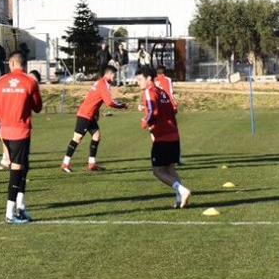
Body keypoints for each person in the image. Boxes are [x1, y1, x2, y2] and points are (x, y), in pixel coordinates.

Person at [0, 51, 43, 224]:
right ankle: (9, 214)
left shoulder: (1, 82)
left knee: (24, 167)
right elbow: (38, 107)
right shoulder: (30, 82)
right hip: (21, 132)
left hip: (5, 132)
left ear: (11, 63)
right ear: (24, 64)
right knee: (17, 170)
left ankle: (20, 208)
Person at [139, 70, 191, 208]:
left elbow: (152, 111)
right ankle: (180, 199)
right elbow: (172, 110)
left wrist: (146, 121)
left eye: (139, 79)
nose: (137, 82)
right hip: (174, 135)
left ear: (148, 78)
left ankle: (182, 190)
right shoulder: (162, 92)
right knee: (170, 169)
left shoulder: (149, 92)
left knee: (157, 171)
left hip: (162, 138)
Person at [61, 66, 127, 173]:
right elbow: (109, 102)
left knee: (96, 136)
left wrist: (96, 112)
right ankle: (65, 163)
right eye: (114, 74)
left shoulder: (99, 82)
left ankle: (92, 164)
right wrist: (121, 105)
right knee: (77, 138)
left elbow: (94, 98)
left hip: (90, 115)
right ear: (108, 74)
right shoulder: (104, 84)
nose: (115, 77)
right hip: (85, 115)